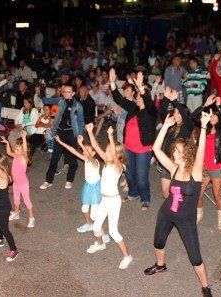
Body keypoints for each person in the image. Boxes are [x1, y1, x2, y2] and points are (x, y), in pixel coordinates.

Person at [146, 110, 213, 297]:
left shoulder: (196, 172)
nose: (174, 154)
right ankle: (160, 265)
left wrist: (204, 126)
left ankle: (206, 286)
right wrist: (165, 127)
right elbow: (156, 149)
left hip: (186, 220)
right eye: (174, 151)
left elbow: (201, 150)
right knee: (158, 241)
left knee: (195, 257)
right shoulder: (173, 168)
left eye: (177, 151)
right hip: (167, 213)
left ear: (186, 153)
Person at [84, 124, 133, 270]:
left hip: (113, 202)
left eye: (109, 150)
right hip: (104, 200)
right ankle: (100, 244)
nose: (106, 152)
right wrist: (90, 132)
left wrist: (111, 136)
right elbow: (94, 145)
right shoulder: (106, 161)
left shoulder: (120, 166)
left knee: (113, 231)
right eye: (106, 150)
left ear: (117, 154)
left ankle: (127, 256)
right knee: (96, 225)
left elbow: (117, 160)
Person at [109, 69, 157, 210]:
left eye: (140, 96)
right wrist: (112, 83)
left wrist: (141, 87)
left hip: (143, 149)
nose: (137, 98)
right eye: (136, 96)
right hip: (128, 147)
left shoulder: (151, 112)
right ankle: (133, 193)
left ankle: (145, 198)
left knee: (142, 177)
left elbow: (149, 103)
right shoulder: (133, 108)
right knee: (129, 174)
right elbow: (118, 98)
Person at [193, 95, 221, 229]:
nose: (213, 117)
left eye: (215, 115)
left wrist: (220, 107)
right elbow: (193, 117)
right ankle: (199, 213)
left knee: (217, 194)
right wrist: (205, 105)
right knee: (198, 193)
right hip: (203, 166)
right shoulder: (204, 128)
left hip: (216, 167)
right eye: (211, 115)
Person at [39, 83, 84, 190]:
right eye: (64, 91)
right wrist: (42, 89)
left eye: (68, 91)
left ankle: (69, 179)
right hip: (59, 133)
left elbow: (80, 121)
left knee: (71, 158)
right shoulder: (60, 100)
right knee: (54, 157)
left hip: (71, 134)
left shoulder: (78, 105)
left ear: (73, 93)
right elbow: (45, 100)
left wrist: (80, 135)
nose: (65, 93)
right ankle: (48, 180)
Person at [157, 87, 194, 200]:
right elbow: (162, 111)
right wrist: (166, 99)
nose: (176, 115)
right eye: (175, 112)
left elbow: (184, 114)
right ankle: (171, 208)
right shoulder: (171, 125)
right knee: (165, 190)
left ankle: (178, 210)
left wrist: (175, 101)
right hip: (168, 161)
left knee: (178, 192)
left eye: (179, 113)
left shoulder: (187, 127)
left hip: (180, 163)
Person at [1, 132, 35, 228]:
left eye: (17, 149)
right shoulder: (15, 156)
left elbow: (24, 150)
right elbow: (8, 152)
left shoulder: (24, 158)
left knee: (27, 200)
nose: (15, 150)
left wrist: (24, 138)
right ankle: (16, 213)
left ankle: (31, 217)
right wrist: (7, 143)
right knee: (16, 198)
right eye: (15, 148)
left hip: (23, 184)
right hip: (16, 183)